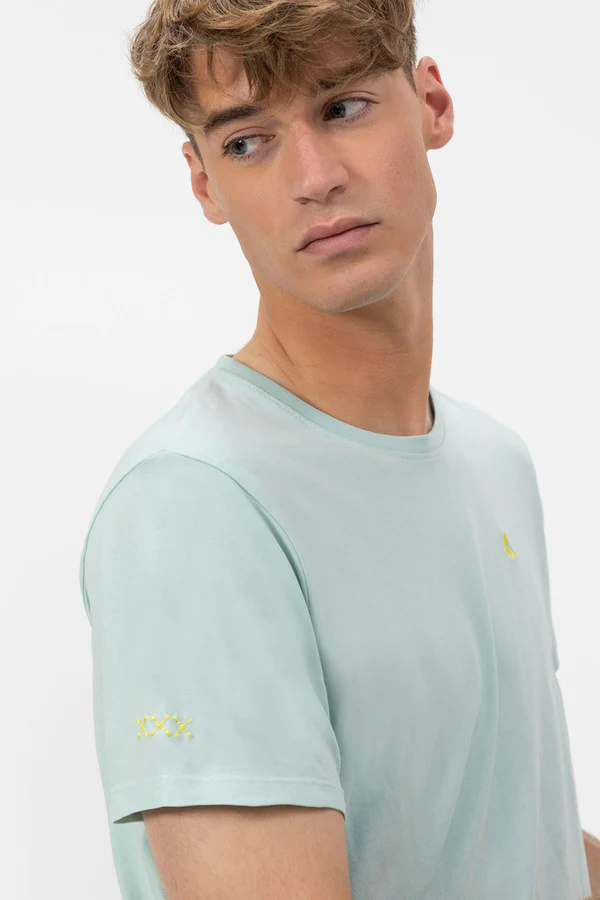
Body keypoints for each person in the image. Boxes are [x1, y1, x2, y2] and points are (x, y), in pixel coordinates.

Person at [78, 1, 595, 898]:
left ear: (431, 104)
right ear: (204, 184)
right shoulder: (195, 505)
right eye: (248, 142)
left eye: (342, 106)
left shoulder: (493, 462)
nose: (314, 179)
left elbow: (506, 838)